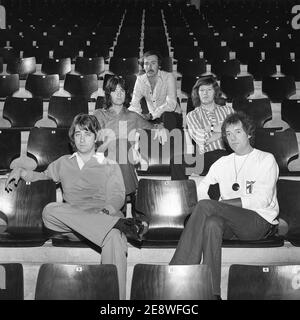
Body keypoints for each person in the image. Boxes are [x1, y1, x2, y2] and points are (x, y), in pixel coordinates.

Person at [5, 114, 143, 300]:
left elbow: (117, 196)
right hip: (72, 223)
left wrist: (106, 212)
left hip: (103, 216)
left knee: (115, 238)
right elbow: (43, 176)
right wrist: (21, 171)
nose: (82, 138)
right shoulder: (64, 162)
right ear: (73, 138)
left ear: (96, 137)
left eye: (87, 133)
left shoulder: (109, 164)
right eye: (78, 134)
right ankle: (119, 224)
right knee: (50, 210)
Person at [170, 112, 279, 299]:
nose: (233, 138)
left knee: (207, 207)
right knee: (212, 223)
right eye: (228, 134)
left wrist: (220, 204)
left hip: (258, 221)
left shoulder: (266, 159)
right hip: (231, 223)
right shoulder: (223, 162)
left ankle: (178, 272)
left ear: (249, 133)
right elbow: (202, 188)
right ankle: (211, 292)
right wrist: (207, 201)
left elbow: (262, 200)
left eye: (238, 132)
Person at [94, 75, 166, 195]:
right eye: (114, 91)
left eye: (121, 90)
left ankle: (120, 195)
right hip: (104, 158)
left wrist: (160, 127)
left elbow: (153, 127)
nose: (119, 94)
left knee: (122, 146)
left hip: (126, 159)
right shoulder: (99, 114)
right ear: (108, 94)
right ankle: (132, 192)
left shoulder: (134, 116)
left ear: (126, 94)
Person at [171, 75, 234, 180]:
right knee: (177, 161)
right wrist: (224, 131)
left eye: (209, 89)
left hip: (228, 153)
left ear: (215, 92)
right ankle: (182, 194)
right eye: (202, 90)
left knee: (222, 155)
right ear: (197, 93)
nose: (205, 93)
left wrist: (212, 128)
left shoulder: (228, 110)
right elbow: (202, 139)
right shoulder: (192, 115)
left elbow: (236, 131)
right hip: (205, 157)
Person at [128, 50, 182, 130]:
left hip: (171, 115)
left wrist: (151, 115)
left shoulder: (168, 77)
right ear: (143, 67)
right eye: (146, 64)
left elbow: (171, 104)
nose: (149, 67)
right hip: (152, 118)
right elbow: (135, 103)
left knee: (167, 117)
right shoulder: (140, 80)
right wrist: (132, 114)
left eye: (153, 63)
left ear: (159, 65)